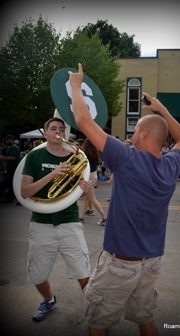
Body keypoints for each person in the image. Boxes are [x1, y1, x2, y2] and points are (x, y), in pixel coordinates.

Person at [68, 64, 180, 336]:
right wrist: (161, 110)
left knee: (98, 324)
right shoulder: (170, 166)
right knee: (145, 319)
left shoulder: (127, 158)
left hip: (120, 264)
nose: (132, 134)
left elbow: (83, 121)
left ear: (144, 135)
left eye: (135, 130)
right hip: (151, 262)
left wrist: (76, 85)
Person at [21, 117, 92, 322]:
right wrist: (53, 175)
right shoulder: (34, 157)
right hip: (41, 222)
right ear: (46, 134)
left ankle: (94, 308)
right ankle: (49, 299)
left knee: (82, 270)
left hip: (69, 219)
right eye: (53, 128)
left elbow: (84, 193)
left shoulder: (75, 158)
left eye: (62, 128)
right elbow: (25, 191)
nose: (58, 131)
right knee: (37, 275)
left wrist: (86, 190)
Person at [79, 138, 107, 225]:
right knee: (87, 198)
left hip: (88, 176)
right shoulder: (95, 153)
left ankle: (104, 217)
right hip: (93, 175)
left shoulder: (84, 153)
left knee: (91, 198)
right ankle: (81, 217)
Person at [0, 134, 20, 202]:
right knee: (10, 183)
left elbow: (12, 157)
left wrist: (2, 159)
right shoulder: (12, 147)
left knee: (9, 183)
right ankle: (10, 198)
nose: (6, 141)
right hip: (12, 168)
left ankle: (9, 198)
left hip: (13, 168)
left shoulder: (13, 147)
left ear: (10, 139)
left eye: (7, 140)